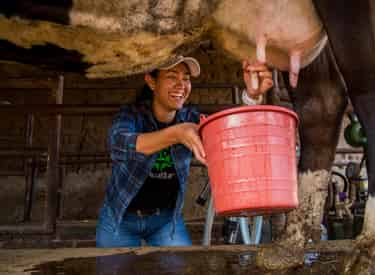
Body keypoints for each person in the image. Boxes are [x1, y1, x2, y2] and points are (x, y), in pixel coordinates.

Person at [96, 56, 274, 247]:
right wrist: (177, 134)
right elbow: (120, 144)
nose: (181, 85)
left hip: (166, 221)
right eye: (172, 77)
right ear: (151, 81)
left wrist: (251, 98)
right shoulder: (132, 115)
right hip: (120, 217)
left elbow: (230, 134)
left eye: (186, 78)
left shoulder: (189, 118)